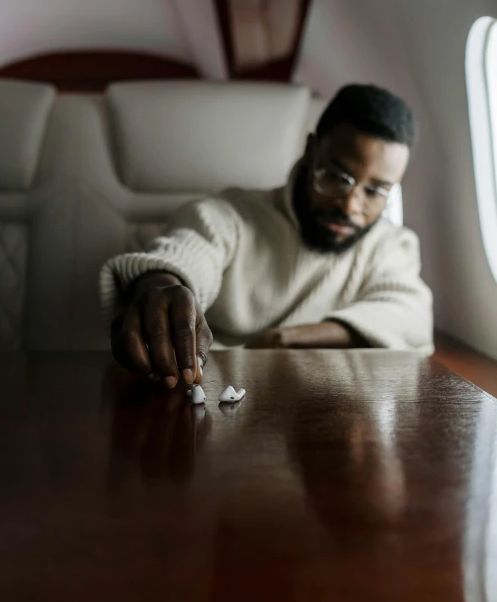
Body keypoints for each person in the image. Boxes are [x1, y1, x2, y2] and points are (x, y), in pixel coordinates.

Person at [100, 84, 434, 388]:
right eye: (336, 177)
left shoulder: (391, 245)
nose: (350, 206)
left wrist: (284, 340)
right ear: (310, 149)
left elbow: (411, 317)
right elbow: (184, 254)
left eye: (376, 190)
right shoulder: (226, 216)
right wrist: (161, 288)